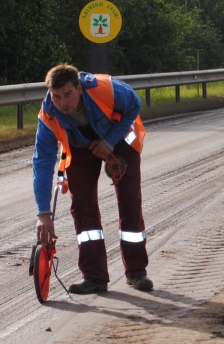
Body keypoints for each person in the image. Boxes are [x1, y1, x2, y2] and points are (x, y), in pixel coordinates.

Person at [33, 64, 152, 294]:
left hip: (119, 140)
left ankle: (137, 272)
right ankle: (94, 277)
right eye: (56, 97)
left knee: (130, 203)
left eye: (68, 94)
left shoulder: (104, 89)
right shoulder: (48, 115)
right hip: (79, 148)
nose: (63, 103)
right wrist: (43, 213)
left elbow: (135, 103)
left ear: (79, 88)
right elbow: (42, 162)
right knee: (83, 207)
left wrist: (108, 142)